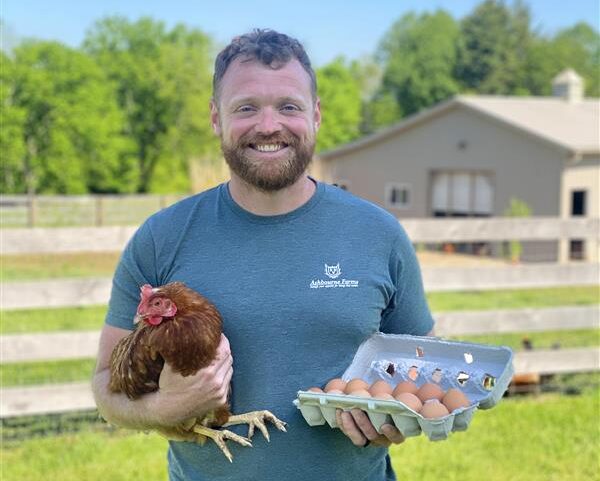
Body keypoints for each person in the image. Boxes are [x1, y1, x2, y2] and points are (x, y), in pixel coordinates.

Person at [92, 29, 434, 481]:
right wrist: (164, 408)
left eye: (288, 106)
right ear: (216, 118)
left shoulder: (378, 233)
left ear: (315, 115)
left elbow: (423, 365)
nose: (269, 125)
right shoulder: (162, 237)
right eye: (246, 108)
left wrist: (395, 412)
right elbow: (106, 387)